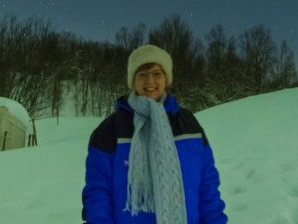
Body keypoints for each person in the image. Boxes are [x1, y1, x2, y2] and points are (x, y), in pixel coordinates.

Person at [82, 44, 227, 223]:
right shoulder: (110, 129)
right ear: (133, 81)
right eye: (142, 74)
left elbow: (208, 188)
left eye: (157, 73)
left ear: (166, 79)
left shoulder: (188, 124)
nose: (150, 81)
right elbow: (98, 194)